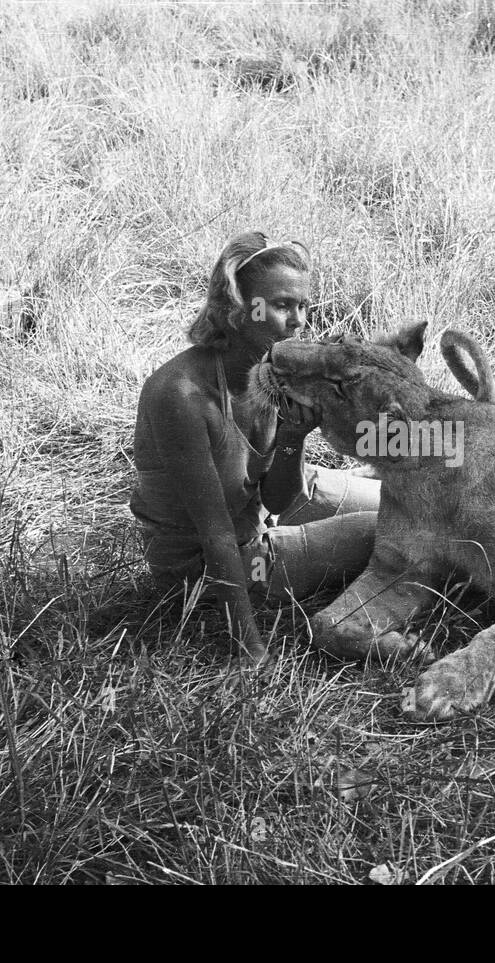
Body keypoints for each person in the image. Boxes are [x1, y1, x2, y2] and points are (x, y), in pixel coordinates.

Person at [130, 232, 381, 663]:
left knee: (398, 496)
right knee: (387, 524)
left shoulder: (269, 369)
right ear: (235, 308)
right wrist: (249, 646)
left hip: (258, 515)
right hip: (223, 564)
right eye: (282, 305)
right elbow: (215, 534)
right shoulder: (181, 395)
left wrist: (290, 440)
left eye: (302, 305)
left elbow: (278, 499)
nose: (299, 320)